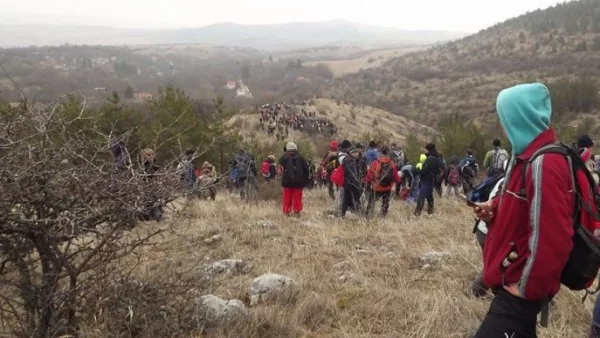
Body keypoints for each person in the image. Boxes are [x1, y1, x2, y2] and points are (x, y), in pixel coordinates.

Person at [472, 83, 597, 338]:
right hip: (510, 277)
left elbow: (554, 238)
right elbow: (525, 206)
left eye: (506, 117)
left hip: (519, 287)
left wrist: (526, 288)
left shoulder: (545, 163)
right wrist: (493, 208)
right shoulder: (524, 156)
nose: (504, 125)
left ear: (520, 118)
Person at [365, 147, 401, 217]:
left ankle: (368, 214)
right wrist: (398, 182)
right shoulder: (392, 163)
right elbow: (395, 175)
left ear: (380, 153)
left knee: (371, 201)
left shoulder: (375, 162)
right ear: (388, 154)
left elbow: (370, 174)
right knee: (385, 202)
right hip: (387, 187)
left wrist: (367, 182)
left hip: (376, 186)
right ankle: (383, 215)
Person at [279, 142, 310, 216]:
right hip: (298, 182)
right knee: (297, 198)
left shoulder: (283, 158)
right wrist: (304, 181)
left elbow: (280, 170)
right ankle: (297, 212)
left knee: (287, 198)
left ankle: (286, 212)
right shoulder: (301, 157)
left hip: (287, 182)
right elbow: (306, 170)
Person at [414, 144, 439, 217]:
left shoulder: (431, 158)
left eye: (425, 149)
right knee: (429, 196)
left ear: (428, 149)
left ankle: (417, 214)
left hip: (427, 180)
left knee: (421, 197)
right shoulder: (434, 157)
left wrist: (416, 170)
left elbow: (425, 170)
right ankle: (430, 213)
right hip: (430, 179)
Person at [341, 146, 363, 218]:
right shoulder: (352, 162)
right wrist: (358, 184)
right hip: (353, 183)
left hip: (347, 183)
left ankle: (343, 214)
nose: (357, 154)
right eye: (355, 152)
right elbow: (353, 174)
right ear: (351, 153)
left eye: (357, 152)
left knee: (346, 199)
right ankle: (357, 215)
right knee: (355, 199)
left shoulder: (346, 160)